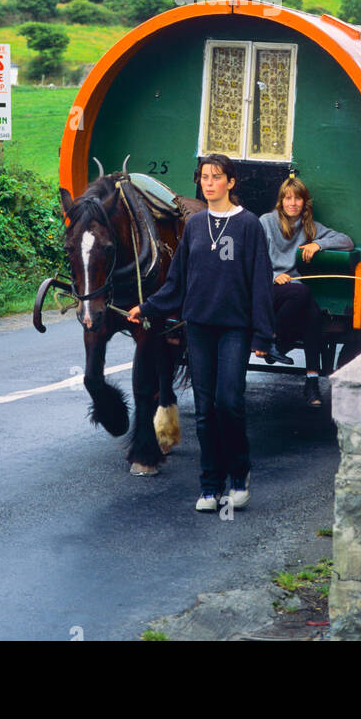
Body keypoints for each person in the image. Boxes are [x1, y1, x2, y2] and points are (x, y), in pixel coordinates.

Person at [128, 154, 274, 513]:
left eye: (216, 177)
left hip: (235, 329)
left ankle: (239, 477)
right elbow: (176, 283)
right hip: (200, 328)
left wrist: (262, 336)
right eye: (204, 177)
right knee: (205, 410)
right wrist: (146, 308)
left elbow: (260, 283)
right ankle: (210, 486)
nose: (208, 183)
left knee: (229, 403)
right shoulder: (194, 227)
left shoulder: (249, 226)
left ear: (231, 182)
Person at [259, 176, 353, 407]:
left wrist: (317, 244)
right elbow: (253, 259)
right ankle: (274, 340)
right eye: (288, 198)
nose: (293, 203)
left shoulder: (310, 227)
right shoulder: (266, 222)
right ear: (281, 202)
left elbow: (346, 241)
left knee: (313, 313)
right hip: (265, 287)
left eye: (298, 198)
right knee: (302, 295)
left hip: (293, 292)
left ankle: (311, 380)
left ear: (304, 202)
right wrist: (273, 275)